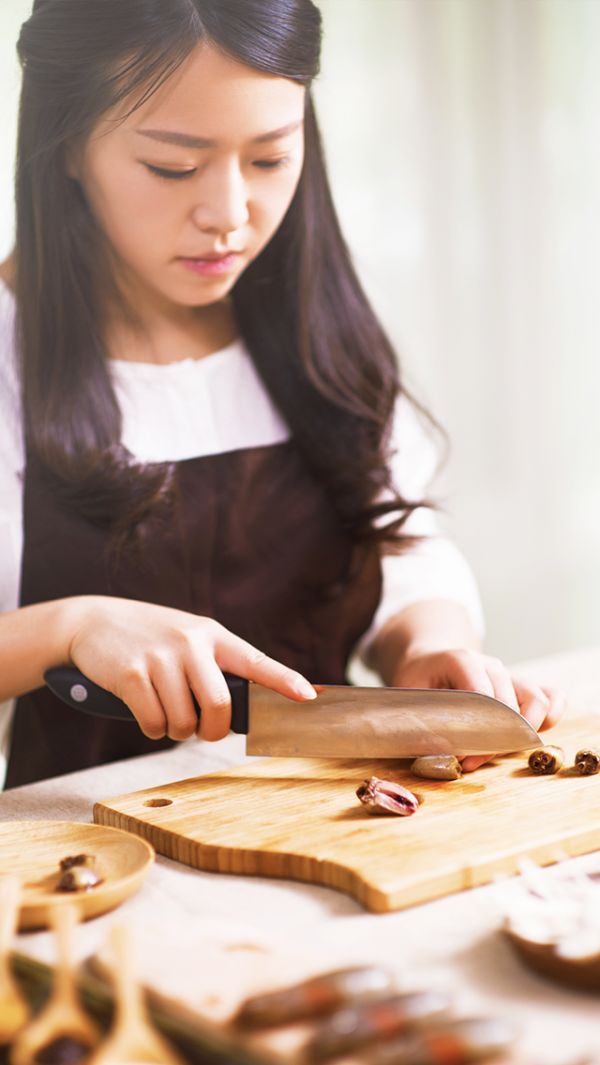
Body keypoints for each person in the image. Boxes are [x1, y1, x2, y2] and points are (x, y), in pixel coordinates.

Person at [0, 0, 563, 790]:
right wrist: (66, 628)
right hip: (79, 851)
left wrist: (427, 646)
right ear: (65, 141)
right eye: (173, 166)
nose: (229, 216)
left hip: (320, 820)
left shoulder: (317, 332)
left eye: (269, 158)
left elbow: (404, 551)